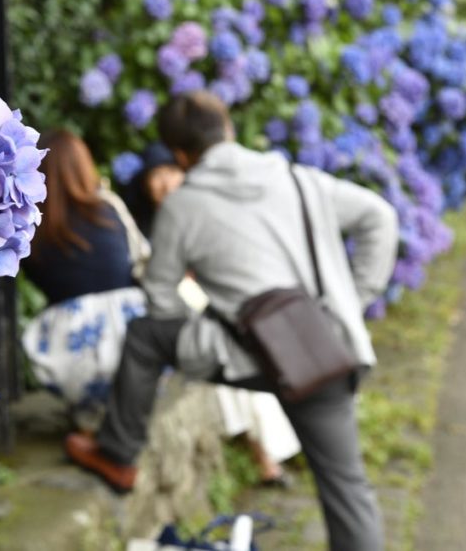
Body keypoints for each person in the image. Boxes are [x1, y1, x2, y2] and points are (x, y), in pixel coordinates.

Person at [66, 91, 398, 551]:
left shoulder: (183, 206)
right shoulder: (299, 180)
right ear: (229, 129)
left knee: (145, 336)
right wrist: (350, 302)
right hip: (322, 350)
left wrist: (207, 332)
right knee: (347, 489)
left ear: (180, 155)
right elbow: (380, 217)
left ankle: (119, 455)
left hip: (243, 355)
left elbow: (161, 300)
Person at [123, 143, 302, 487]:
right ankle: (266, 457)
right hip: (177, 320)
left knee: (248, 362)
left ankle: (271, 453)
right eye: (155, 177)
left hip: (214, 309)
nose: (164, 184)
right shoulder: (142, 225)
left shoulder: (201, 209)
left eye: (170, 173)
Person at [21, 130, 150, 427]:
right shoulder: (108, 206)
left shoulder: (33, 226)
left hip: (67, 349)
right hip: (130, 335)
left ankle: (90, 415)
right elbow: (142, 256)